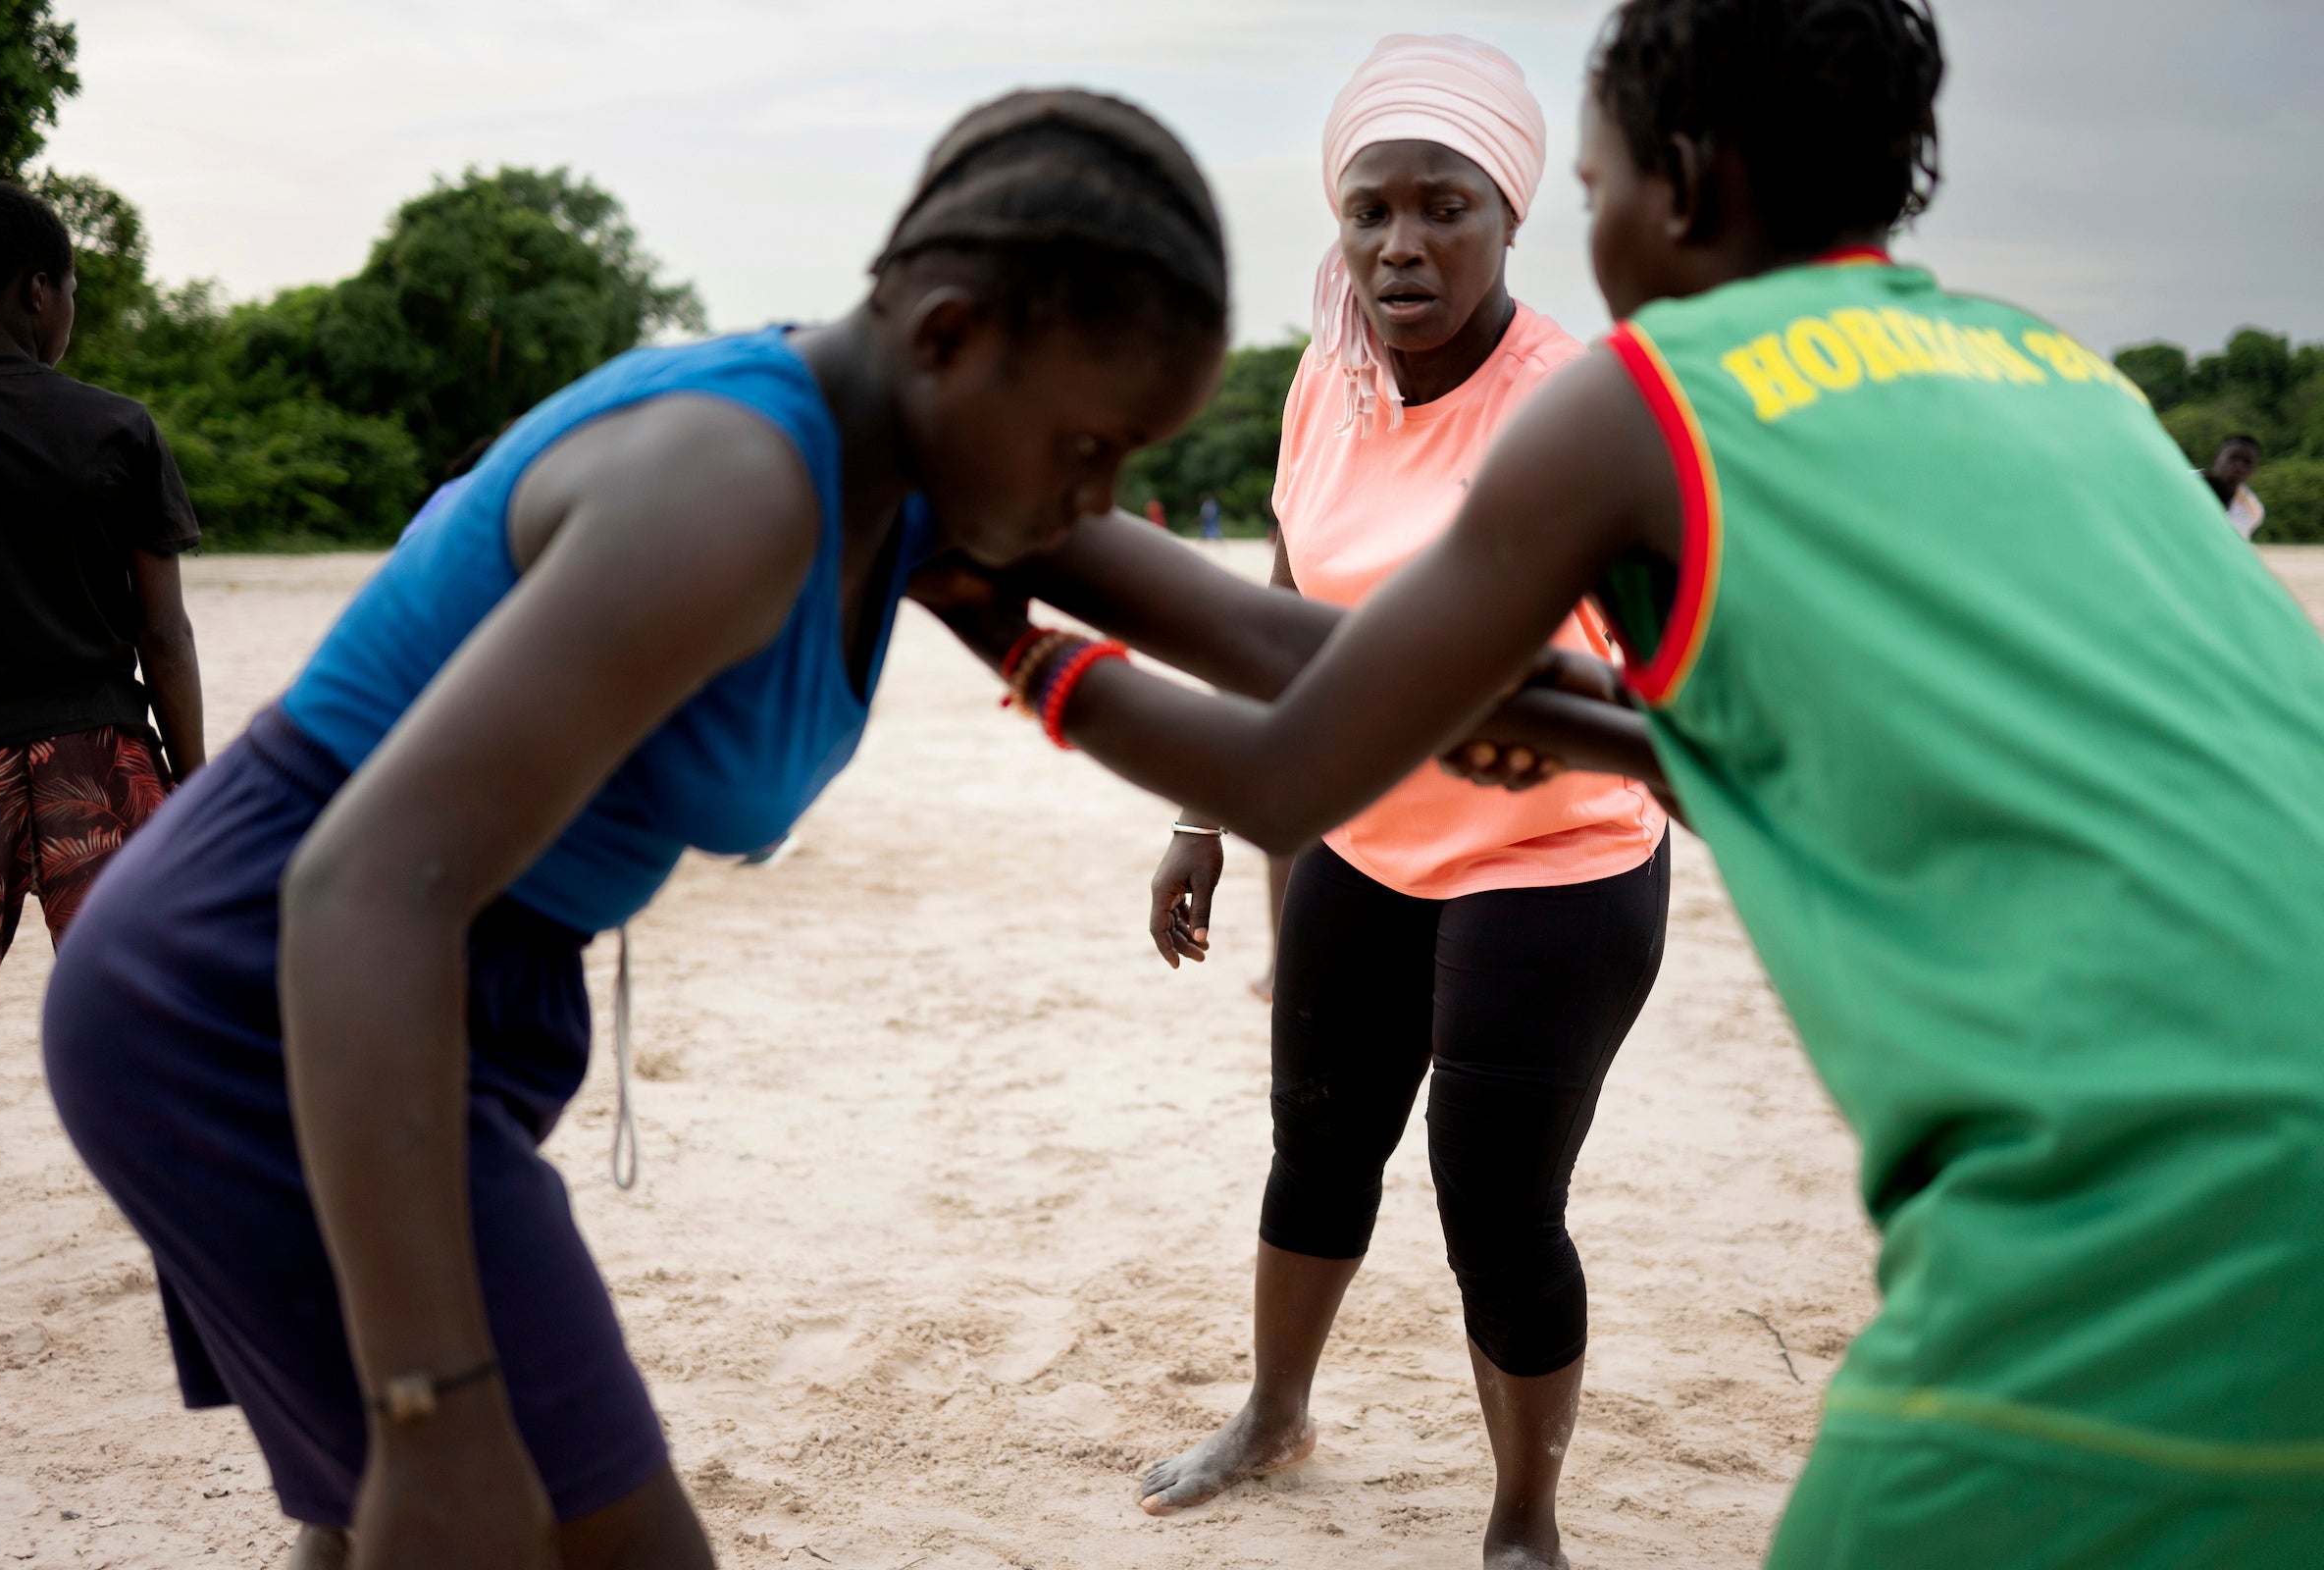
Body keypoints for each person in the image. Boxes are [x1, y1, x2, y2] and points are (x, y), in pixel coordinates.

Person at [926, 2, 2324, 1564]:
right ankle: (1288, 1412)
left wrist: (989, 590)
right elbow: (1841, 729)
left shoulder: (1642, 394)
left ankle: (1521, 1515)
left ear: (1683, 186)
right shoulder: (2058, 375)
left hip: (2140, 1193)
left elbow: (1285, 754)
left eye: (1581, 191)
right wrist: (1576, 721)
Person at [41, 92, 1234, 1570]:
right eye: (1091, 441)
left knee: (377, 1535)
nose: (1100, 493)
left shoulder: (911, 486)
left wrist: (1598, 684)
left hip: (426, 993)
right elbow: (360, 882)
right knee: (536, 1516)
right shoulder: (735, 481)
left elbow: (1288, 694)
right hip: (274, 993)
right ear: (945, 336)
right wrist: (437, 1408)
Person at [1132, 36, 1666, 1568]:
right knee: (1315, 1143)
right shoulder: (1330, 378)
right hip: (1367, 840)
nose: (1402, 243)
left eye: (1445, 207)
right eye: (1371, 210)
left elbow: (1679, 670)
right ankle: (1275, 1414)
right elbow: (1287, 602)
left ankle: (1523, 1522)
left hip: (1553, 860)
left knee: (1494, 1202)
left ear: (1510, 220)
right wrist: (1202, 816)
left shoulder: (1576, 409)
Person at [0, 179, 205, 1026]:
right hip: (97, 757)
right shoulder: (116, 428)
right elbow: (164, 633)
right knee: (153, 1008)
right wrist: (195, 786)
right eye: (71, 290)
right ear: (37, 290)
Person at [2203, 432, 2266, 539]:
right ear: (2217, 458)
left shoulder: (2251, 510)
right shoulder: (2186, 480)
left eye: (2247, 462)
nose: (2239, 466)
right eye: (2233, 458)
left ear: (2253, 469)